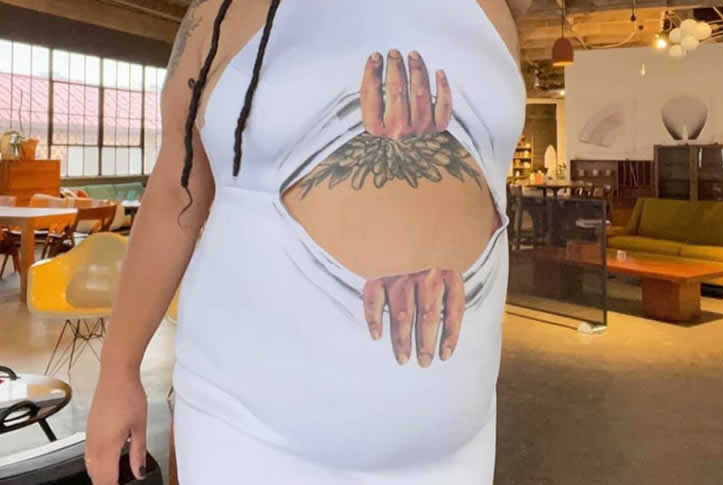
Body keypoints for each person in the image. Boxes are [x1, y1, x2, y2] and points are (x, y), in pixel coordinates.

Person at [85, 0, 530, 483]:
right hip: (249, 438)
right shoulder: (220, 15)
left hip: (455, 447)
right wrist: (118, 371)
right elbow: (176, 195)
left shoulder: (499, 12)